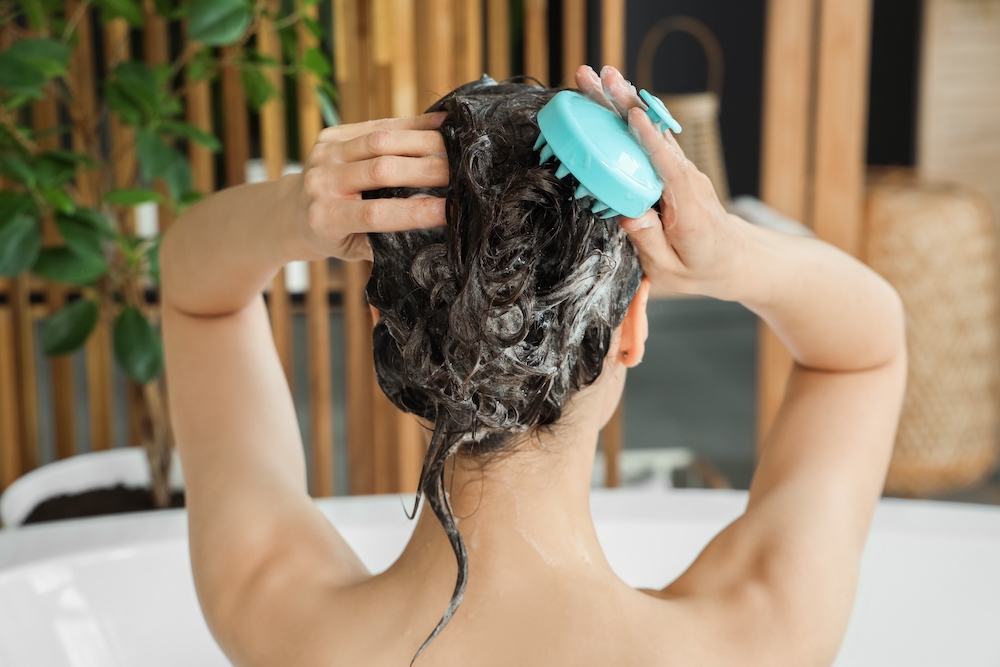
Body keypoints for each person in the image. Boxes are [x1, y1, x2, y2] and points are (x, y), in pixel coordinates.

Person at [160, 65, 906, 667]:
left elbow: (198, 292)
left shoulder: (280, 616)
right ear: (631, 330)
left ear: (384, 328)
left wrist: (296, 208)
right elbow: (864, 352)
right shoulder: (755, 636)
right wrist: (732, 254)